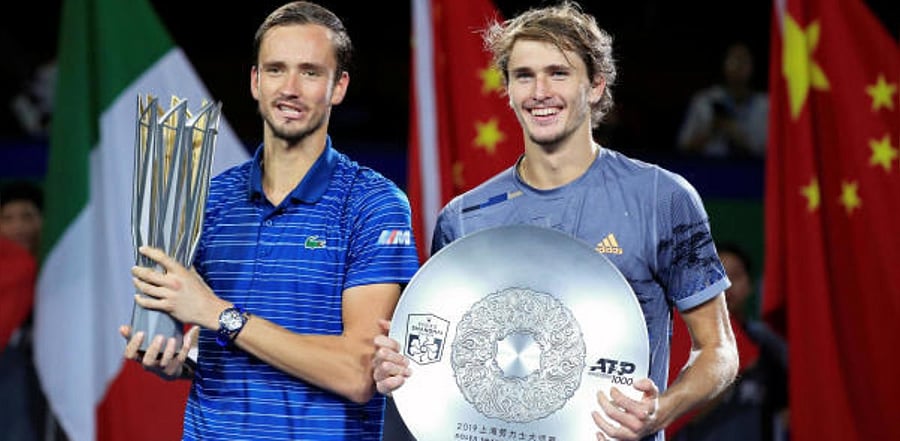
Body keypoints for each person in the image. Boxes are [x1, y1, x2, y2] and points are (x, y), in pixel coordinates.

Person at [373, 2, 739, 440]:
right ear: (507, 90)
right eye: (524, 76)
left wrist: (661, 408)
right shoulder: (463, 217)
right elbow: (445, 358)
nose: (539, 91)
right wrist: (399, 367)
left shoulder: (663, 198)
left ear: (596, 86)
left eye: (558, 73)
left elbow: (719, 351)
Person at [119, 2, 420, 440]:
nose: (290, 88)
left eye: (311, 72)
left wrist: (220, 315)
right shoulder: (211, 199)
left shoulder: (373, 202)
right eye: (276, 70)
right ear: (256, 82)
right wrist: (175, 361)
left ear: (339, 87)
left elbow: (357, 373)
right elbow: (208, 345)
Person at [669, 243, 788, 441]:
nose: (726, 284)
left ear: (750, 285)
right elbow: (678, 416)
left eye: (736, 275)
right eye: (716, 275)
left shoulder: (767, 345)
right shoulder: (681, 340)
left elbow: (785, 415)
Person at [0, 180, 53, 441]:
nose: (18, 227)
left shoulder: (62, 275)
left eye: (27, 216)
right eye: (7, 218)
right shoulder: (12, 274)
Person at [676, 42, 768, 159]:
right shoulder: (704, 101)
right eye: (734, 61)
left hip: (753, 171)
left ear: (753, 66)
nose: (738, 67)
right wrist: (712, 130)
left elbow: (772, 151)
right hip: (711, 169)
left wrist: (737, 135)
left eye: (744, 61)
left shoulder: (765, 105)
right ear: (723, 64)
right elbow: (683, 146)